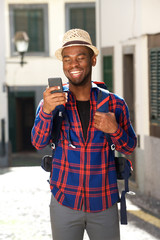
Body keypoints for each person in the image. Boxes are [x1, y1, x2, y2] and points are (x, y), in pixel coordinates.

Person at [31, 29, 137, 240]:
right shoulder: (50, 101)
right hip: (64, 201)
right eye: (67, 59)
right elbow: (38, 142)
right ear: (63, 64)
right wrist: (46, 111)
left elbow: (129, 147)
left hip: (104, 202)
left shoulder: (115, 103)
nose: (74, 65)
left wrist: (114, 129)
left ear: (93, 60)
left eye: (81, 57)